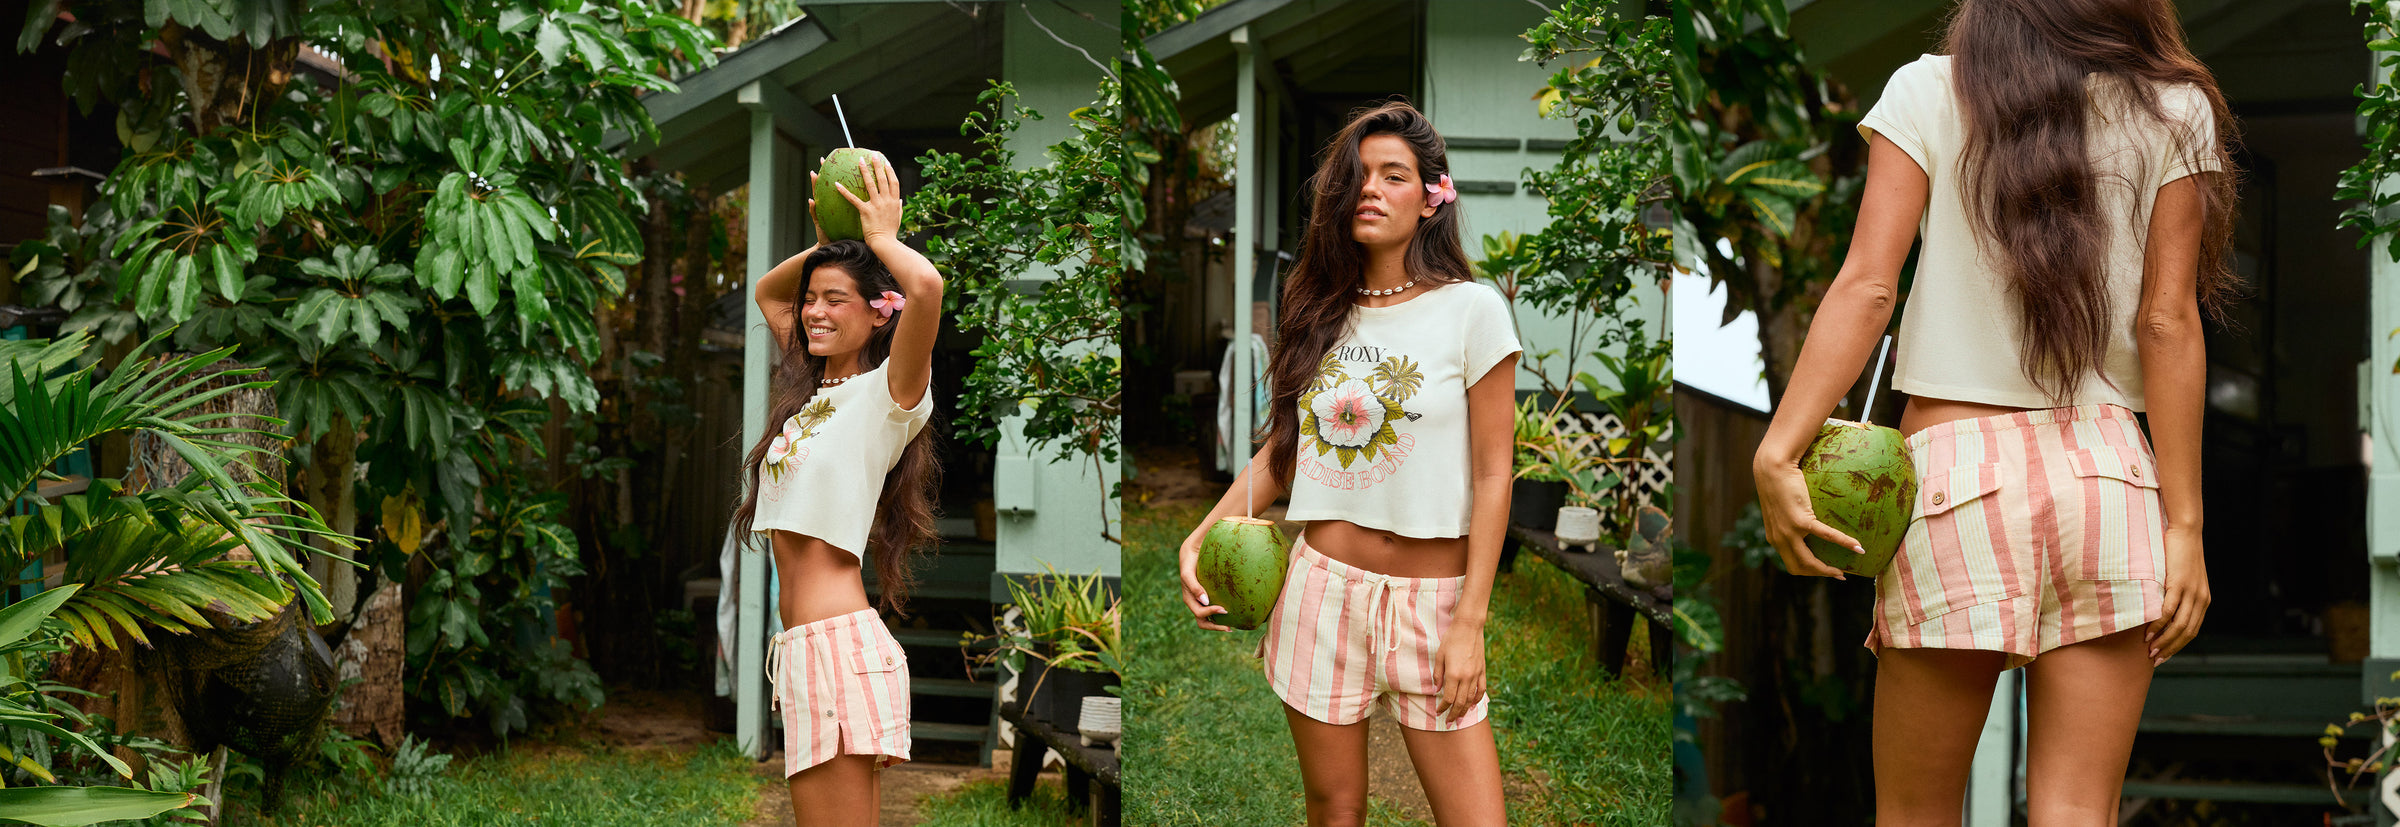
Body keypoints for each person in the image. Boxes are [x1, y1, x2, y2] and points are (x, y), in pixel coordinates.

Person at [1749, 0, 2236, 821]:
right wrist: (2184, 526)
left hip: (1957, 480)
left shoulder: (1928, 90)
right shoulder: (2173, 106)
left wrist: (1780, 449)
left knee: (1914, 812)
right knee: (2079, 811)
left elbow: (1870, 285)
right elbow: (2169, 320)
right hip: (2110, 478)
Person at [1178, 101, 1519, 827]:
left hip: (1435, 603)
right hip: (1321, 594)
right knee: (1335, 808)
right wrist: (1202, 532)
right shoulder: (1319, 307)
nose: (1371, 188)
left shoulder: (1473, 310)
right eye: (1358, 176)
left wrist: (1470, 623)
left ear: (1432, 197)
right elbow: (1285, 449)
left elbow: (1495, 472)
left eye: (1394, 175)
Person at [730, 151, 943, 827]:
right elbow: (769, 291)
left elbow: (928, 288)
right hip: (804, 648)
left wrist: (879, 238)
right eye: (813, 298)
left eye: (836, 299)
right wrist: (829, 242)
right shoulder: (814, 389)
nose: (816, 311)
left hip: (837, 645)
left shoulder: (887, 395)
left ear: (880, 313)